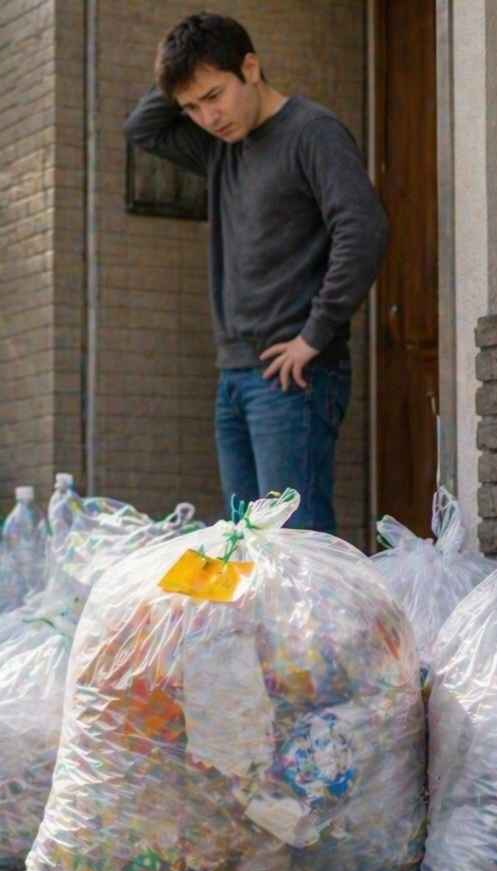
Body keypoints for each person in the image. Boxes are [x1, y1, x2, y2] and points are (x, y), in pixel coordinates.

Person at [126, 12, 388, 533]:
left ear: (251, 66)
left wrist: (315, 334)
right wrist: (179, 73)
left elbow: (363, 229)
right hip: (235, 374)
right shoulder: (221, 147)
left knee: (294, 546)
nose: (207, 117)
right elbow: (143, 128)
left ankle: (324, 621)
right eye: (192, 107)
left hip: (294, 375)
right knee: (247, 548)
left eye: (215, 95)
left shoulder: (312, 132)